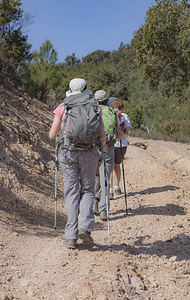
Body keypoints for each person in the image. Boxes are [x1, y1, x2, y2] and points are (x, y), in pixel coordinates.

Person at [49, 78, 107, 249]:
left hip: (68, 153)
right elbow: (102, 135)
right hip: (89, 152)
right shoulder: (94, 106)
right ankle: (85, 227)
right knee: (88, 190)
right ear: (86, 90)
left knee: (72, 192)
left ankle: (70, 236)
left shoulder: (63, 106)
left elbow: (52, 135)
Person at [93, 90, 124, 221]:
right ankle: (104, 210)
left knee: (95, 177)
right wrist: (120, 135)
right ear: (107, 101)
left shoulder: (92, 112)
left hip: (93, 148)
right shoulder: (112, 113)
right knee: (105, 178)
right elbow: (121, 134)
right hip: (109, 148)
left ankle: (95, 202)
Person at [109, 99, 132, 198]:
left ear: (111, 107)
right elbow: (128, 131)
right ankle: (117, 187)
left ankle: (109, 190)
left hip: (110, 143)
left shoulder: (108, 114)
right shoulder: (124, 116)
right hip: (121, 144)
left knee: (109, 167)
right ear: (122, 108)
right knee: (117, 166)